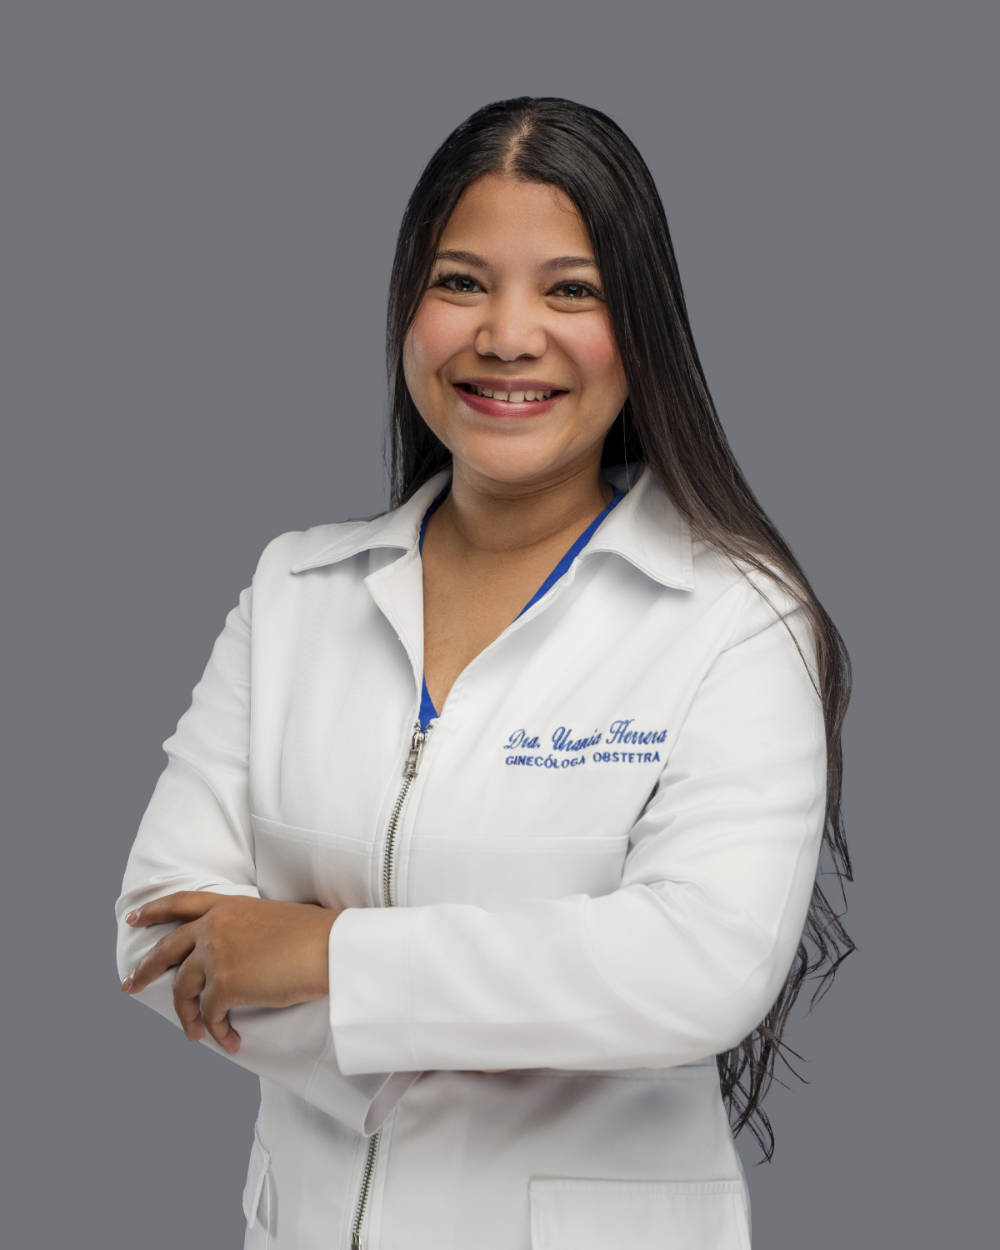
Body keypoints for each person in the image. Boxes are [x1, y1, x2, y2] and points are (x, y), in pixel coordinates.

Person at [115, 95, 853, 1250]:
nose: (507, 336)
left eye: (571, 290)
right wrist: (522, 1006)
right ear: (406, 310)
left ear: (642, 326)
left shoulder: (734, 618)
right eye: (460, 282)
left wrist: (326, 954)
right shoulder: (294, 590)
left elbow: (697, 965)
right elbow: (157, 936)